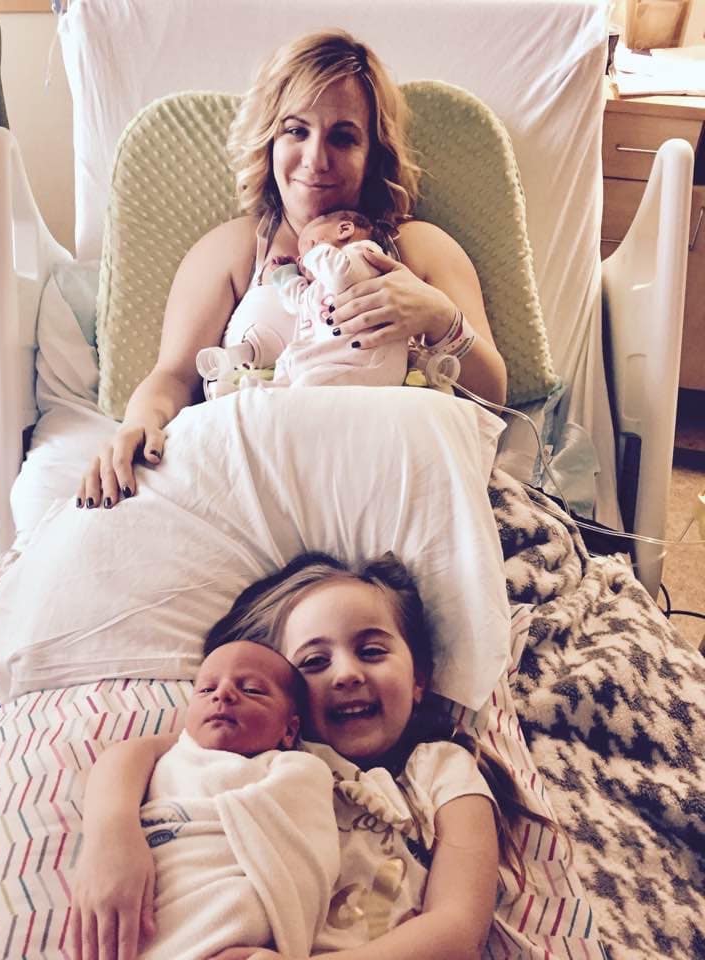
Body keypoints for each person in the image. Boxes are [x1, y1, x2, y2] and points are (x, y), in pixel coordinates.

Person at [77, 29, 507, 509]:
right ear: (269, 140)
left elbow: (494, 400)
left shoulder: (420, 248)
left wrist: (442, 319)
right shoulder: (232, 250)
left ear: (373, 154)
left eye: (343, 137)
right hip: (254, 491)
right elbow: (175, 376)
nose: (316, 159)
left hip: (392, 492)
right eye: (296, 131)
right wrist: (138, 423)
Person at [70, 552, 562, 960]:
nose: (346, 674)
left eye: (372, 651)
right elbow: (137, 754)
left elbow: (457, 930)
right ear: (288, 702)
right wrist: (112, 839)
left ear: (419, 679)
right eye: (314, 662)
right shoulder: (271, 749)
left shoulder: (442, 770)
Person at [132, 640, 340, 960]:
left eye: (252, 690)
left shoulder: (297, 769)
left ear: (289, 730)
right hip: (155, 923)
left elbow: (308, 861)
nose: (223, 694)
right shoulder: (165, 762)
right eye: (206, 689)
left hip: (234, 939)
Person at [195, 209, 408, 395]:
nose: (301, 258)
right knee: (291, 361)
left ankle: (266, 399)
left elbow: (342, 274)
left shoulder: (364, 255)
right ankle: (252, 394)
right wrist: (287, 275)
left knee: (308, 384)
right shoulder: (319, 287)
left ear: (344, 230)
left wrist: (313, 253)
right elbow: (298, 302)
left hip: (369, 362)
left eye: (307, 245)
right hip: (337, 361)